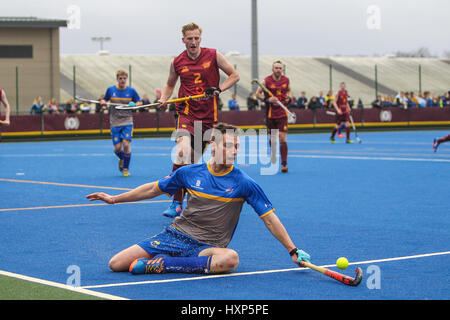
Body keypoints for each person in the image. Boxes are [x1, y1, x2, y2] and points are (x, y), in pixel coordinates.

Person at [86, 122, 311, 275]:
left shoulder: (244, 183)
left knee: (230, 259)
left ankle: (163, 264)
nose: (234, 151)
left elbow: (270, 218)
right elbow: (152, 189)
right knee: (116, 264)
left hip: (207, 248)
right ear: (212, 145)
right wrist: (115, 199)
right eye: (229, 145)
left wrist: (292, 250)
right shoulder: (190, 172)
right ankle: (166, 259)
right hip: (174, 235)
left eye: (237, 147)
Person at [158, 22, 240, 218]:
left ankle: (190, 197)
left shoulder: (213, 55)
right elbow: (170, 84)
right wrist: (163, 99)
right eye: (189, 39)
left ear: (200, 39)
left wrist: (219, 89)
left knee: (192, 162)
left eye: (196, 38)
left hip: (208, 116)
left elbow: (234, 76)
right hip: (186, 113)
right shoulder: (177, 61)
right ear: (183, 40)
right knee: (182, 152)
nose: (193, 42)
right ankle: (176, 203)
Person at [100, 69, 142, 177]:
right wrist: (103, 103)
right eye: (120, 78)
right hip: (115, 122)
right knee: (117, 148)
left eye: (124, 78)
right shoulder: (111, 90)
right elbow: (104, 100)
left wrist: (136, 104)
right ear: (117, 79)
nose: (122, 80)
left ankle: (126, 169)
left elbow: (139, 101)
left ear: (126, 79)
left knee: (126, 144)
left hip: (127, 121)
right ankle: (122, 158)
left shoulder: (131, 91)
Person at [256, 60, 292, 173]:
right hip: (270, 114)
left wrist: (289, 98)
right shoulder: (266, 81)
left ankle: (284, 163)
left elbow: (289, 91)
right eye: (276, 68)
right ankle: (273, 154)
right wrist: (267, 99)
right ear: (272, 69)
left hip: (282, 113)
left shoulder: (286, 80)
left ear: (282, 70)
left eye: (280, 68)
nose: (278, 70)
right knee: (272, 138)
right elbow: (257, 94)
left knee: (282, 138)